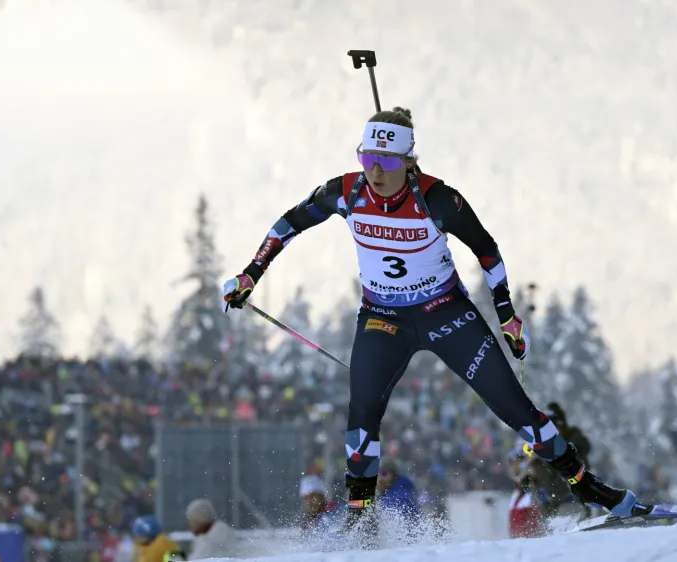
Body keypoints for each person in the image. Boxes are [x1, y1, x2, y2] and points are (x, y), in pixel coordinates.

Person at [222, 106, 645, 543]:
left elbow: (488, 252)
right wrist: (251, 274)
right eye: (367, 158)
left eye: (386, 162)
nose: (375, 170)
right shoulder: (345, 192)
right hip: (384, 318)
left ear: (408, 160)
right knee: (362, 411)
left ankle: (590, 489)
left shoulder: (439, 199)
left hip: (445, 313)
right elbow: (288, 222)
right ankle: (359, 517)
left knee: (515, 409)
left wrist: (507, 316)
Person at [375, 457, 420, 524]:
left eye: (383, 473)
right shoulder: (388, 492)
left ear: (393, 474)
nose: (379, 478)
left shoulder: (396, 496)